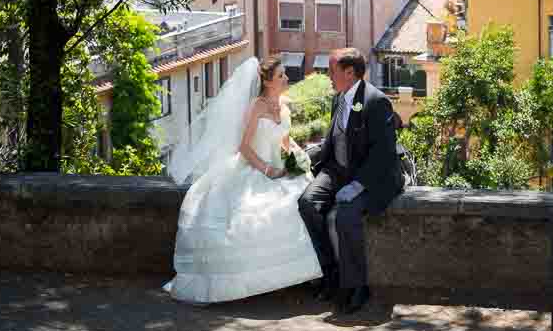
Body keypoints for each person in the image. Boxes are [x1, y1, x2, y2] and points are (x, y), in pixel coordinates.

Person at [164, 56, 321, 304]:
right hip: (255, 167)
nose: (286, 78)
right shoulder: (256, 106)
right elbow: (244, 148)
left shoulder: (283, 103)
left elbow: (284, 139)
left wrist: (296, 157)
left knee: (300, 201)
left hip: (280, 167)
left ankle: (297, 277)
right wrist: (268, 171)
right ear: (268, 81)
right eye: (281, 75)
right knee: (257, 214)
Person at [298, 48, 404, 315]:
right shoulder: (339, 98)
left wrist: (358, 185)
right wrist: (303, 156)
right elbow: (334, 140)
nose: (328, 75)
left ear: (349, 72)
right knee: (308, 203)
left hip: (371, 176)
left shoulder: (375, 101)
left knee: (346, 213)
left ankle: (357, 287)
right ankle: (330, 275)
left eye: (332, 70)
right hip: (337, 170)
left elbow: (383, 153)